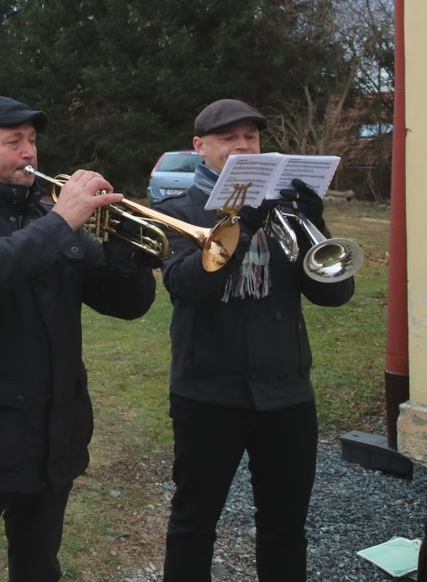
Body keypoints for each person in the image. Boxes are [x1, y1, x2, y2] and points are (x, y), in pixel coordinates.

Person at [0, 95, 157, 582]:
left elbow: (125, 304)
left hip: (50, 435)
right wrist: (61, 221)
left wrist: (126, 247)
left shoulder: (50, 216)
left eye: (32, 141)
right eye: (14, 142)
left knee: (40, 567)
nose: (29, 153)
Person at [156, 98, 356, 581]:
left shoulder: (285, 210)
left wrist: (316, 224)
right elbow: (186, 287)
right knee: (193, 524)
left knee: (285, 528)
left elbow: (336, 293)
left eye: (251, 137)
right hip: (208, 392)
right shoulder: (179, 211)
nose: (244, 146)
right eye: (229, 138)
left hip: (286, 393)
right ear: (201, 147)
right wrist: (241, 225)